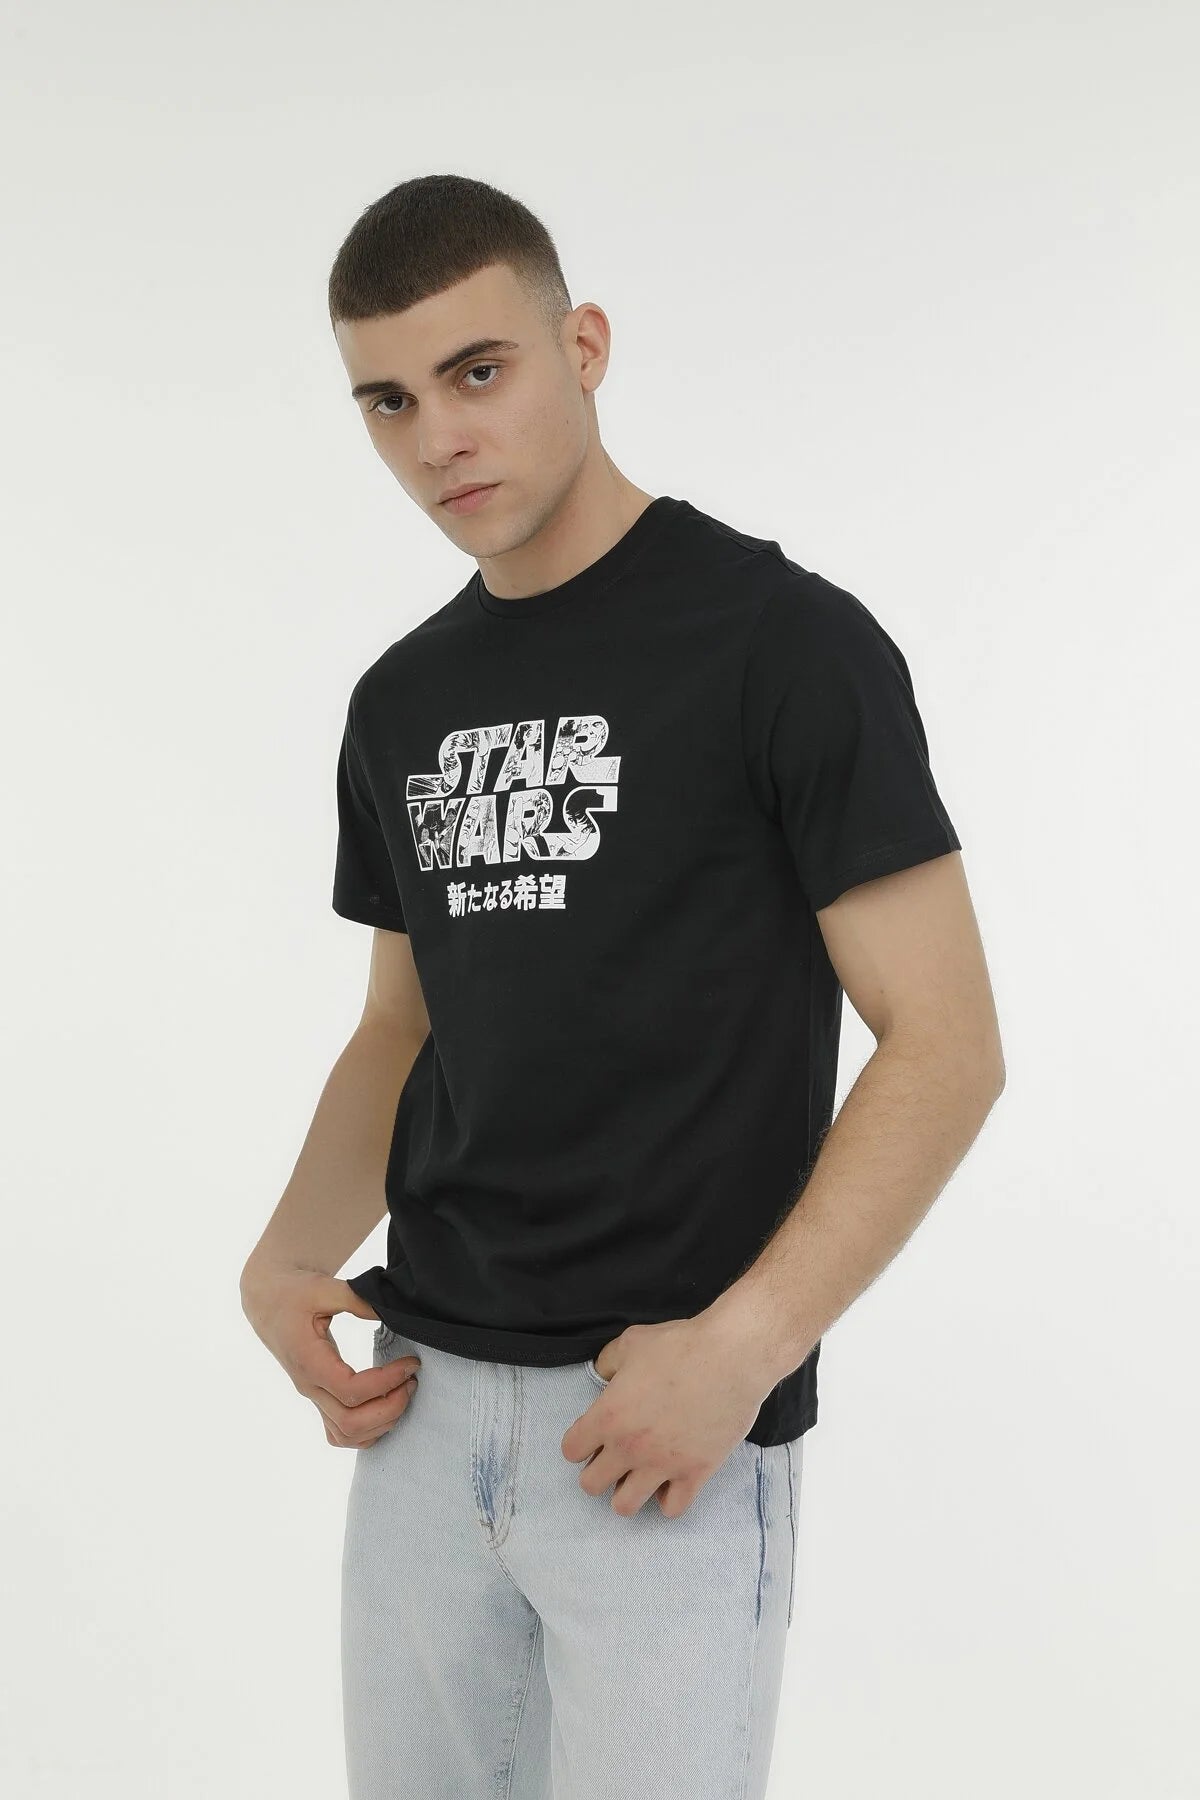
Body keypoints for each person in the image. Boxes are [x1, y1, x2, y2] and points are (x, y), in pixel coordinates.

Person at [239, 172, 1005, 1799]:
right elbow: (403, 1027)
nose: (437, 437)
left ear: (582, 346)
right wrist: (291, 1253)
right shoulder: (401, 700)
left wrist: (745, 1348)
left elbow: (946, 1045)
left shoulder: (783, 644)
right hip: (421, 1415)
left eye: (478, 371)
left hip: (658, 1426)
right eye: (388, 400)